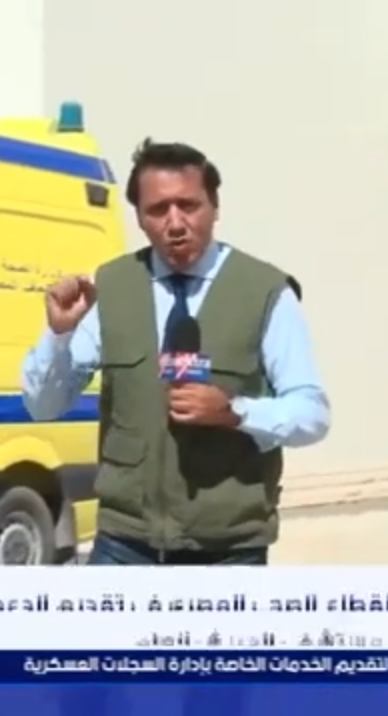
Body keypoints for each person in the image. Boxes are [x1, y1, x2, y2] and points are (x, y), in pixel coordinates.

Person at [20, 138, 330, 566]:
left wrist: (235, 412)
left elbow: (312, 414)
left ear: (215, 207)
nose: (176, 223)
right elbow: (43, 405)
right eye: (158, 210)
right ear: (139, 218)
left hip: (228, 550)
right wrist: (58, 336)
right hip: (125, 544)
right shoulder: (111, 287)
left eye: (189, 205)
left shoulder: (265, 291)